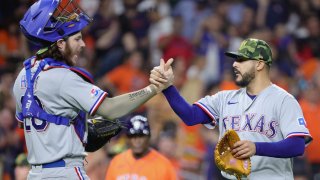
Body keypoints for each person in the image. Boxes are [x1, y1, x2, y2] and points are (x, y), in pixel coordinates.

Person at [12, 0, 170, 179]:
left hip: (35, 174)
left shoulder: (22, 77)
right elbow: (110, 109)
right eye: (77, 38)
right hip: (66, 173)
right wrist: (154, 88)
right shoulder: (63, 77)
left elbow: (25, 122)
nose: (83, 44)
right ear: (61, 44)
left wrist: (76, 129)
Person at [150, 38, 313, 179]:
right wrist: (168, 87)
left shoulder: (284, 100)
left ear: (260, 64)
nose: (234, 64)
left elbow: (297, 145)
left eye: (242, 60)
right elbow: (191, 116)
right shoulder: (224, 98)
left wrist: (257, 147)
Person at [105, 115, 177, 180]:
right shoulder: (116, 161)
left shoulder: (164, 165)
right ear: (127, 139)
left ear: (149, 137)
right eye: (133, 136)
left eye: (141, 136)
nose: (137, 141)